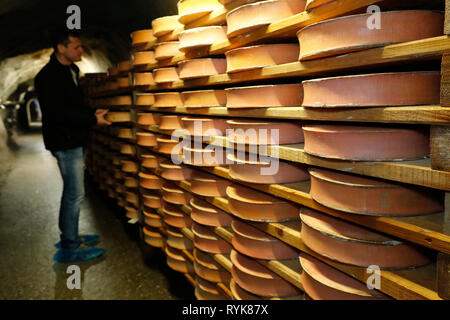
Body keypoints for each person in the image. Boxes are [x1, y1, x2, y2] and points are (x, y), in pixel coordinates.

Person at [34, 29, 111, 263]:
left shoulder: (71, 70)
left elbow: (74, 105)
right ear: (61, 48)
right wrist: (91, 120)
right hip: (64, 141)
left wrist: (90, 113)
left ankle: (71, 236)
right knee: (74, 194)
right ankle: (69, 247)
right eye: (76, 47)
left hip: (75, 138)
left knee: (73, 192)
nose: (81, 50)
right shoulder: (47, 77)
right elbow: (58, 113)